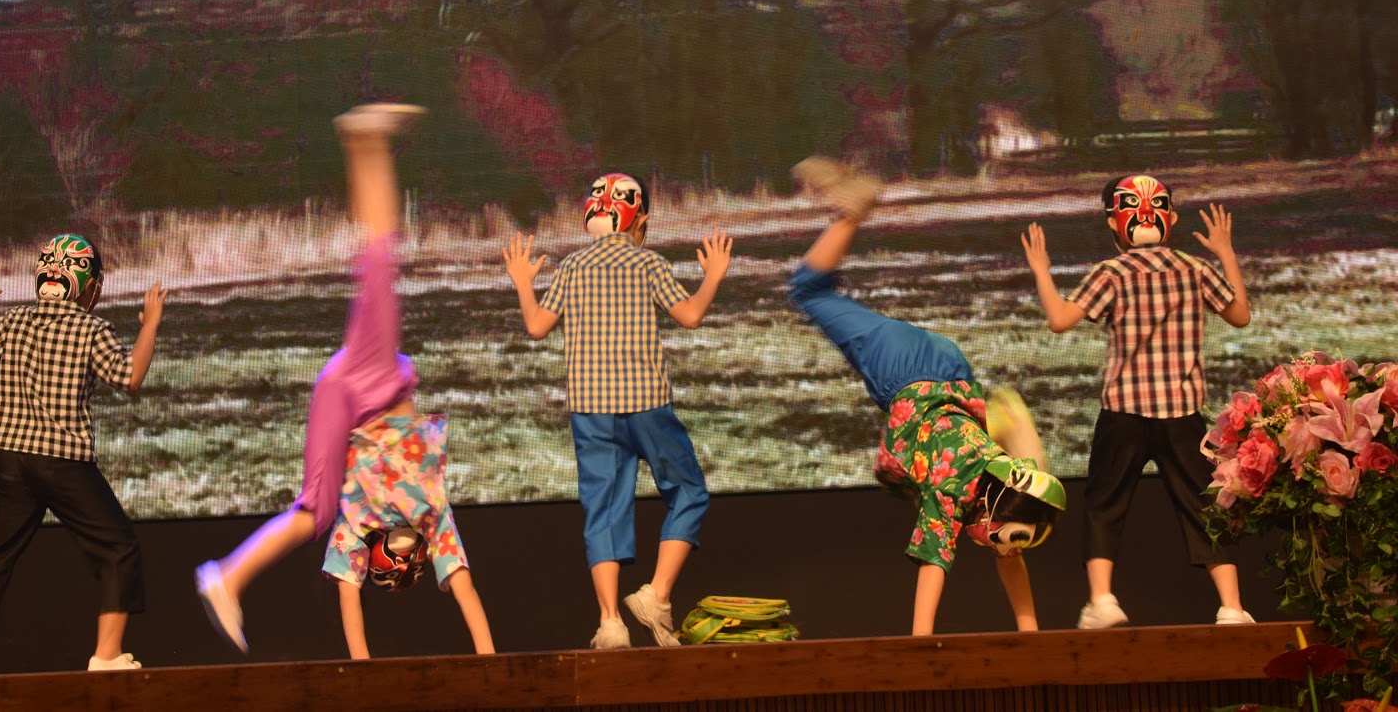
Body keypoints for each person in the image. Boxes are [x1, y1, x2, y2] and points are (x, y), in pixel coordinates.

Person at [196, 103, 493, 659]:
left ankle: (228, 576)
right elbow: (461, 585)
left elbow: (353, 593)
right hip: (365, 385)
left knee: (314, 514)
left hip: (358, 388)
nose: (404, 553)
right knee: (380, 255)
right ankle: (366, 141)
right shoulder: (430, 517)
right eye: (409, 559)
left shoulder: (368, 519)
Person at [789, 156, 1066, 637]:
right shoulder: (953, 488)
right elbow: (933, 563)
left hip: (949, 374)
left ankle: (846, 218)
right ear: (991, 511)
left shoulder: (1003, 483)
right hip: (908, 369)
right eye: (1002, 541)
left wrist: (1031, 633)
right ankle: (851, 211)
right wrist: (921, 641)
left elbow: (1010, 560)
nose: (1002, 551)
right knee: (808, 290)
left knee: (821, 292)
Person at [503, 173, 732, 650]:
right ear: (639, 219)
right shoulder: (648, 262)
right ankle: (657, 595)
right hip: (646, 402)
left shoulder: (572, 267)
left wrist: (524, 284)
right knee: (688, 491)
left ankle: (610, 622)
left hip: (591, 411)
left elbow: (537, 326)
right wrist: (713, 275)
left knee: (603, 510)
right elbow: (690, 315)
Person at [1021, 173, 1254, 629]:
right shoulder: (1194, 268)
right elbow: (1240, 316)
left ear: (1112, 223)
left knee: (1104, 504)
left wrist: (1041, 270)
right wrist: (1225, 254)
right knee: (1204, 507)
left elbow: (1060, 320)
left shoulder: (1111, 273)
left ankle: (1102, 600)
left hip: (1124, 412)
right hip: (1182, 413)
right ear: (1171, 220)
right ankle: (1231, 607)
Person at [0, 234, 168, 677]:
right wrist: (150, 324)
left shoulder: (14, 322)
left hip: (8, 457)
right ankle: (107, 656)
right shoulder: (91, 329)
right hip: (61, 458)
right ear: (90, 288)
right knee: (118, 546)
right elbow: (130, 377)